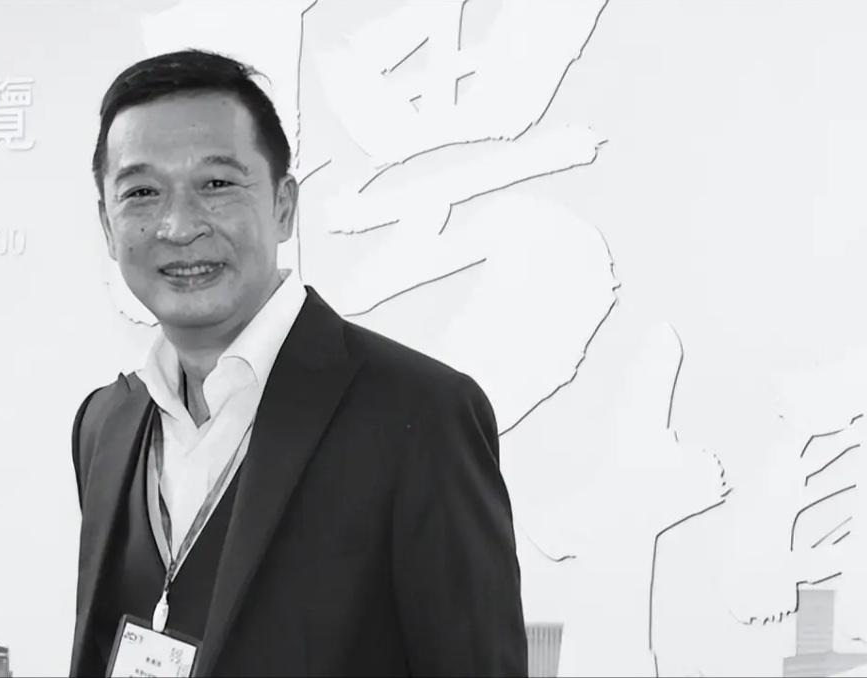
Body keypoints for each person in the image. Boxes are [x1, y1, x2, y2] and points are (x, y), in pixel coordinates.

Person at [69, 48, 527, 677]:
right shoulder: (105, 425)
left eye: (216, 184)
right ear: (107, 223)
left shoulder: (420, 415)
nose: (178, 225)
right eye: (142, 192)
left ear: (283, 205)